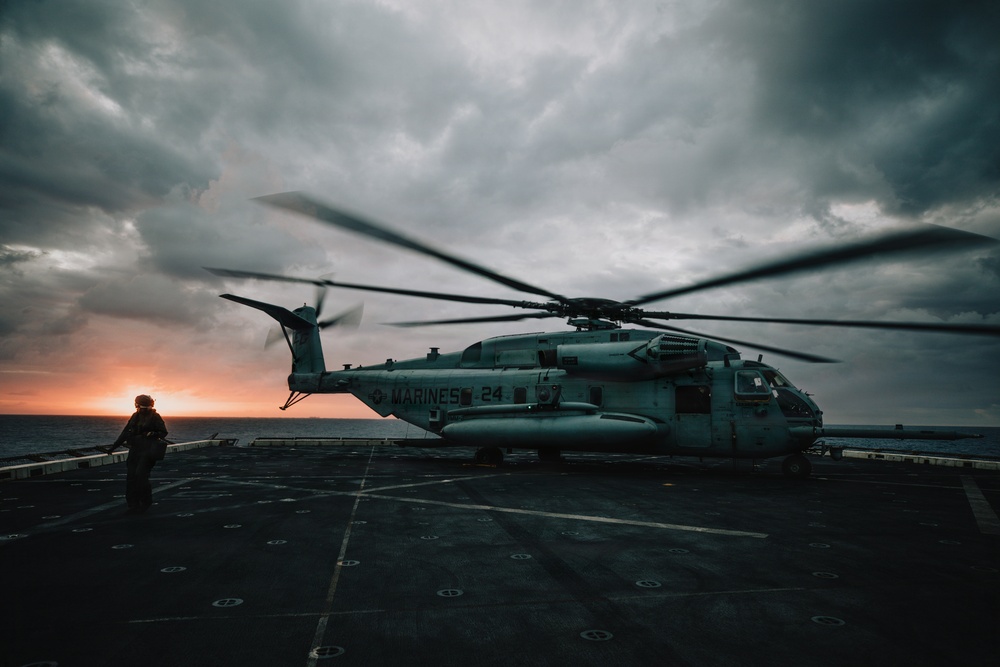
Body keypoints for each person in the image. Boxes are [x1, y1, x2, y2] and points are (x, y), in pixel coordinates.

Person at [110, 394, 168, 514]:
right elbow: (125, 433)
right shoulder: (135, 416)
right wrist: (114, 447)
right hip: (135, 450)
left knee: (140, 476)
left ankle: (144, 503)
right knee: (131, 478)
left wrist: (152, 434)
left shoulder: (155, 417)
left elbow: (163, 432)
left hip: (148, 451)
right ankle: (133, 505)